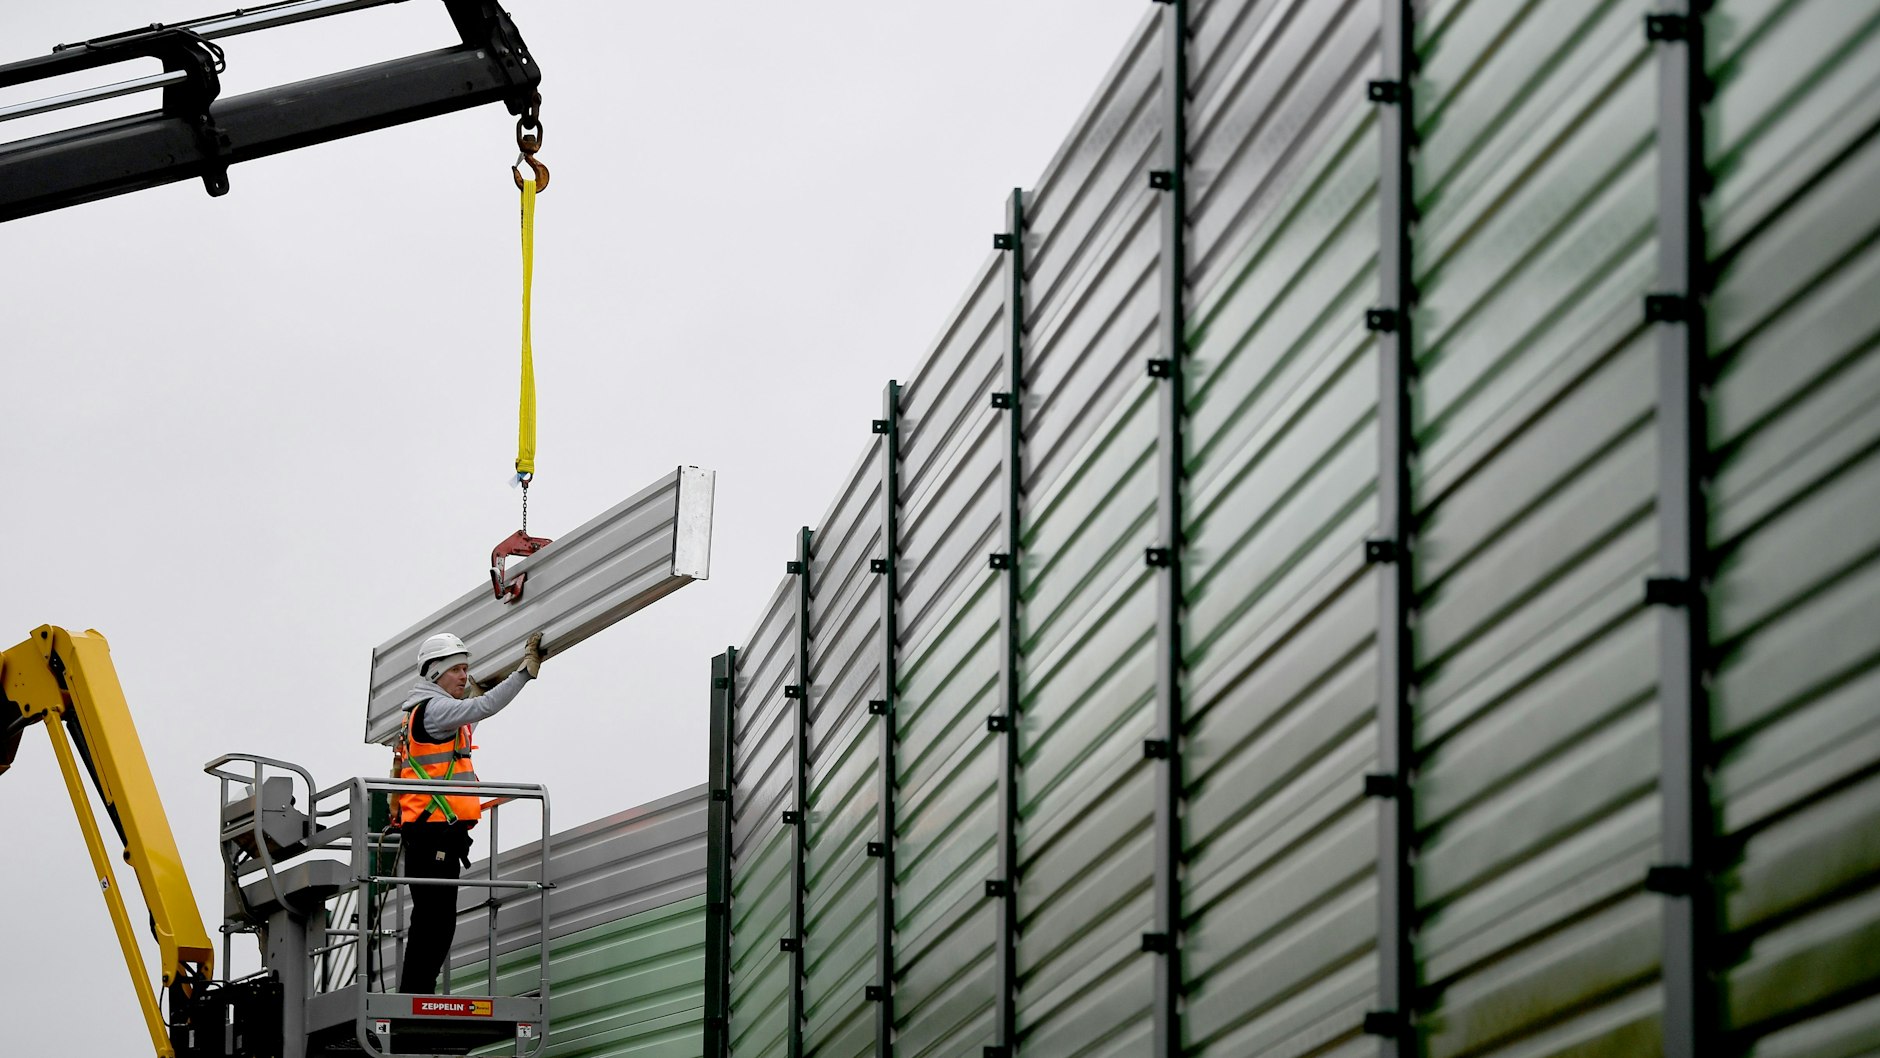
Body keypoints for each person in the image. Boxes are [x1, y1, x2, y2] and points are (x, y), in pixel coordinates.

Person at [392, 629, 546, 995]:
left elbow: (471, 717)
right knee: (434, 922)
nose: (464, 676)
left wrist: (482, 687)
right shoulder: (434, 709)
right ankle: (415, 997)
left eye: (465, 669)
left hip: (436, 833)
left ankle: (416, 995)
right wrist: (523, 673)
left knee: (434, 921)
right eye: (456, 670)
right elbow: (483, 707)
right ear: (435, 673)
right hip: (432, 832)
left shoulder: (432, 710)